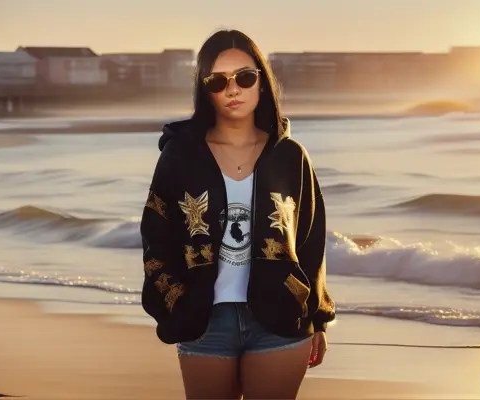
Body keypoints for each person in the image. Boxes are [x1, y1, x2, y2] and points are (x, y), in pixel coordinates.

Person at [140, 29, 335, 399]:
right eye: (218, 81)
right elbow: (156, 238)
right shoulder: (180, 156)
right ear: (205, 89)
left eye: (245, 78)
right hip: (205, 321)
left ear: (262, 82)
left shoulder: (290, 155)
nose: (233, 90)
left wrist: (318, 316)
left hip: (280, 319)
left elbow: (311, 241)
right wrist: (177, 304)